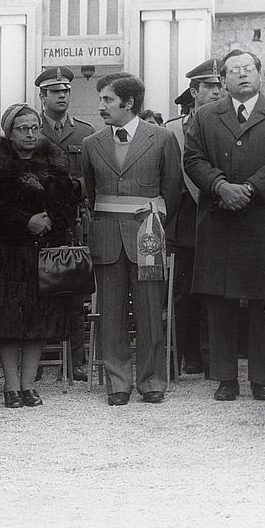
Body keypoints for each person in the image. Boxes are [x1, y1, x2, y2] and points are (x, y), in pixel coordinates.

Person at [184, 49, 265, 402]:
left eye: (248, 68)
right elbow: (193, 159)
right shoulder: (204, 116)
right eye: (234, 70)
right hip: (220, 217)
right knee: (220, 300)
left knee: (262, 300)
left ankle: (261, 378)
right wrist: (221, 185)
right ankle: (225, 377)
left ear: (259, 73)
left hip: (264, 217)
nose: (242, 75)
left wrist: (251, 188)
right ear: (224, 79)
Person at [83, 73, 182, 405]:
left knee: (151, 312)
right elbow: (90, 192)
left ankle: (153, 380)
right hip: (108, 239)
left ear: (129, 104)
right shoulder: (91, 144)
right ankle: (118, 382)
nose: (101, 107)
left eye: (108, 100)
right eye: (101, 100)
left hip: (148, 235)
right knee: (110, 313)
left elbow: (172, 189)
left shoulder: (163, 138)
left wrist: (155, 224)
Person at [0, 105, 81, 408]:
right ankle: (11, 387)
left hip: (44, 251)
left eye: (34, 127)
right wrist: (25, 221)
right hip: (8, 252)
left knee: (40, 318)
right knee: (8, 320)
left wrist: (52, 219)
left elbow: (69, 200)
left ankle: (28, 385)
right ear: (9, 133)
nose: (30, 133)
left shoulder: (54, 162)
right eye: (22, 128)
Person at [164, 59, 222, 377]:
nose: (216, 92)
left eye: (218, 86)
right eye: (209, 87)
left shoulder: (227, 125)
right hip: (184, 218)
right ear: (194, 91)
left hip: (217, 214)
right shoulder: (173, 130)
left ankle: (212, 357)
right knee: (182, 291)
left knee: (214, 289)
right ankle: (185, 355)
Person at [35, 66, 94, 381]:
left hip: (71, 223)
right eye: (55, 92)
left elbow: (93, 177)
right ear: (42, 96)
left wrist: (75, 187)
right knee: (39, 290)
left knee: (73, 292)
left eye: (66, 91)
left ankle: (76, 361)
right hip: (39, 222)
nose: (62, 96)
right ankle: (41, 359)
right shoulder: (30, 130)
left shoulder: (85, 133)